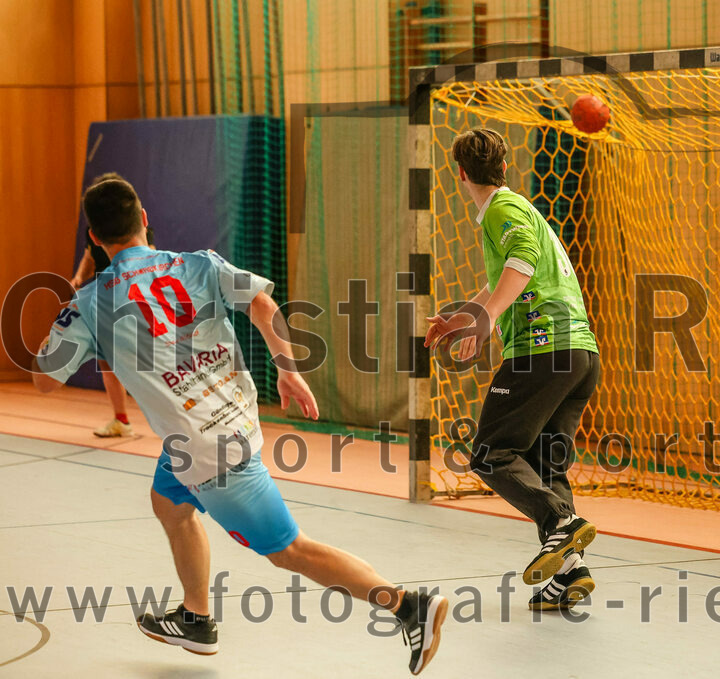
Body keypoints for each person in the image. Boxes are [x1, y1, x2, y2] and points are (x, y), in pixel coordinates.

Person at [33, 178, 446, 675]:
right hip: (227, 419)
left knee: (290, 550)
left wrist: (71, 305)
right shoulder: (200, 263)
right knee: (169, 502)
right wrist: (288, 371)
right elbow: (263, 304)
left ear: (95, 240)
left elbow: (42, 381)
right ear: (145, 219)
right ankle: (196, 618)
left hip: (209, 452)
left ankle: (406, 605)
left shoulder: (91, 303)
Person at [424, 128, 601, 610]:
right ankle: (569, 574)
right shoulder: (523, 209)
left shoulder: (502, 209)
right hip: (580, 355)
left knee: (490, 454)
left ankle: (561, 526)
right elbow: (511, 275)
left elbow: (520, 263)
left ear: (459, 173)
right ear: (504, 165)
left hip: (542, 351)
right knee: (546, 464)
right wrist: (466, 316)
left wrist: (485, 320)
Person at [70, 171, 156, 438]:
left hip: (134, 301)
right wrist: (78, 277)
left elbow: (150, 256)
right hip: (105, 303)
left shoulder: (138, 229)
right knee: (107, 362)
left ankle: (173, 414)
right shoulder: (93, 232)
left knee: (149, 360)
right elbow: (88, 257)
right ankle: (121, 420)